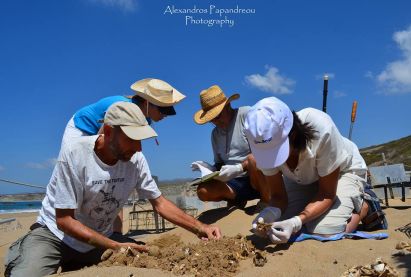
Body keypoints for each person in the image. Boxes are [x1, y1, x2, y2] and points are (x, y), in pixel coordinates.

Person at [5, 102, 221, 277]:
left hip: (100, 241)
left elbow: (159, 203)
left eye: (141, 140)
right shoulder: (74, 154)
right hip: (55, 237)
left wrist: (200, 227)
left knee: (152, 263)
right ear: (108, 131)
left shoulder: (136, 159)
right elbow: (64, 220)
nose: (138, 148)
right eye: (132, 139)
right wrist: (115, 245)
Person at [244, 97, 369, 244]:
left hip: (343, 171)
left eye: (276, 151)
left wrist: (297, 222)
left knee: (325, 231)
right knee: (277, 225)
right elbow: (278, 196)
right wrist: (269, 213)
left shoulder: (322, 129)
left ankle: (364, 207)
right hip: (304, 178)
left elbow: (327, 193)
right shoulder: (262, 141)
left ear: (293, 134)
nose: (273, 159)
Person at [192, 85, 261, 208]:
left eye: (217, 116)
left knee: (253, 160)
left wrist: (239, 168)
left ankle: (266, 198)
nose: (216, 122)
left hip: (257, 176)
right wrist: (209, 170)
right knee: (203, 191)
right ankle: (237, 199)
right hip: (234, 182)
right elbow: (220, 163)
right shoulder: (215, 134)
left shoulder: (246, 115)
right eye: (211, 120)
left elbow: (265, 150)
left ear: (228, 106)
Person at [61, 78, 186, 145]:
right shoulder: (122, 108)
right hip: (83, 127)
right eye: (162, 110)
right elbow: (102, 139)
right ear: (147, 103)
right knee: (74, 162)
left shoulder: (145, 117)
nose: (165, 115)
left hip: (102, 131)